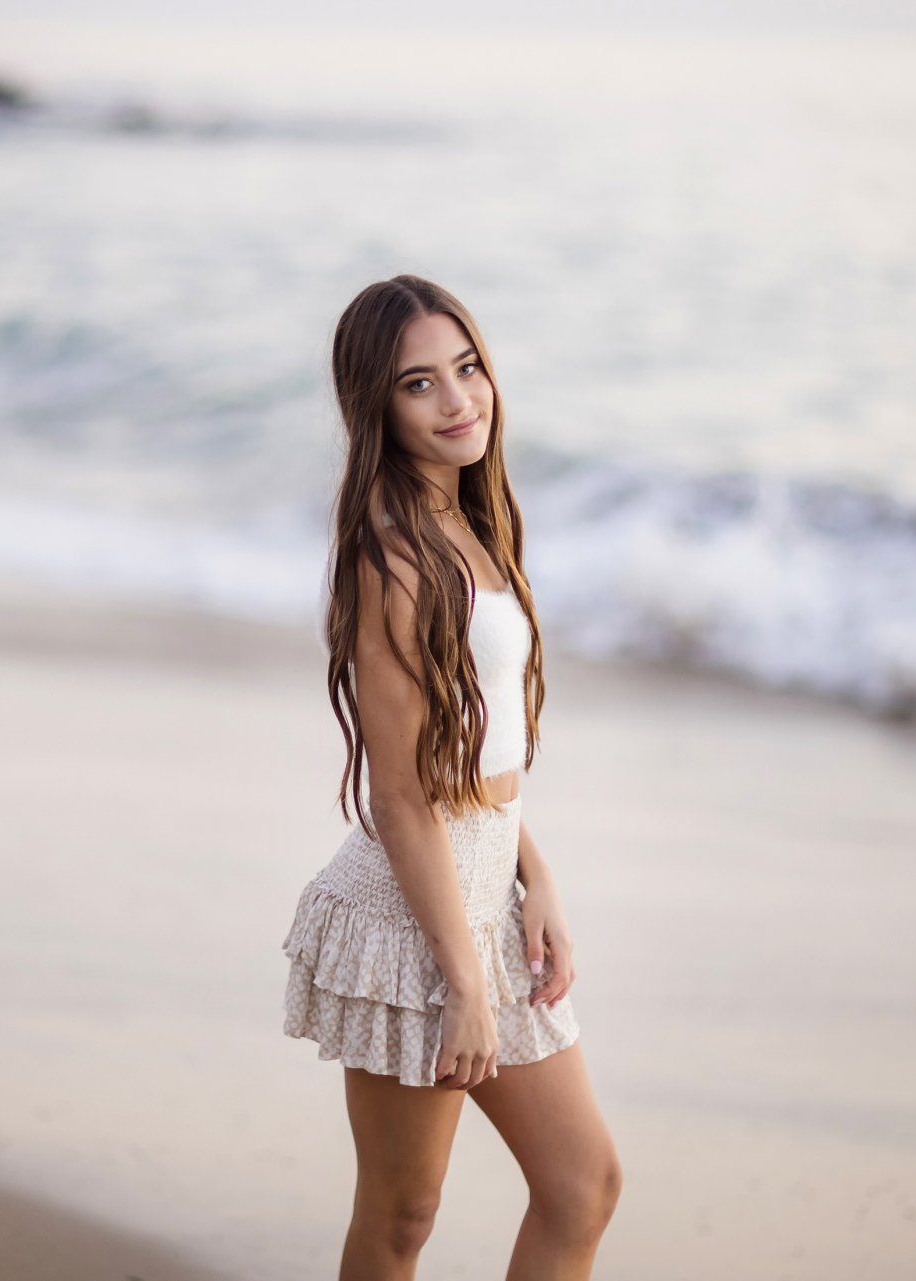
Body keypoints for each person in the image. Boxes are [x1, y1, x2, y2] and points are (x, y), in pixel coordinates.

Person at [280, 274, 623, 1277]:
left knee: (582, 1185)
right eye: (419, 383)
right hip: (412, 917)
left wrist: (535, 877)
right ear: (377, 408)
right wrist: (462, 977)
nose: (458, 399)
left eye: (467, 368)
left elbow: (476, 760)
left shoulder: (472, 523)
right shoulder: (391, 559)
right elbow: (400, 795)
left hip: (488, 889)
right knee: (403, 1216)